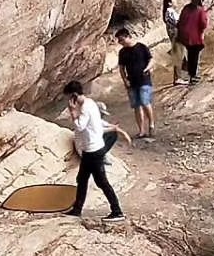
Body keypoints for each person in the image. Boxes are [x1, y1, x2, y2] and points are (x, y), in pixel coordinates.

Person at [64, 81, 125, 220]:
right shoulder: (91, 103)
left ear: (74, 95)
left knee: (101, 182)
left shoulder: (85, 108)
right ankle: (77, 209)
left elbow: (80, 126)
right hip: (91, 149)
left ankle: (117, 211)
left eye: (69, 98)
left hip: (93, 151)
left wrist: (73, 112)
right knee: (82, 179)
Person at [116, 27, 155, 141]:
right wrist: (125, 80)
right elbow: (122, 68)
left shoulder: (141, 47)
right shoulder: (122, 52)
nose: (120, 42)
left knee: (145, 102)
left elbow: (151, 59)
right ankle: (141, 130)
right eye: (119, 40)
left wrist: (147, 69)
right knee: (136, 106)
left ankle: (151, 124)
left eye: (122, 39)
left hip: (144, 79)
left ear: (128, 37)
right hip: (132, 81)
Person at [176, 0, 210, 84]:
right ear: (201, 0)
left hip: (185, 37)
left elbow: (180, 21)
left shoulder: (186, 8)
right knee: (195, 57)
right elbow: (203, 24)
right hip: (195, 36)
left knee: (190, 55)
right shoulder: (200, 10)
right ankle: (193, 76)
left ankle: (191, 75)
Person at [163, 0, 188, 86]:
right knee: (178, 56)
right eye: (174, 0)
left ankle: (185, 74)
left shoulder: (170, 11)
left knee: (182, 56)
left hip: (176, 35)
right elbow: (178, 22)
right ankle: (178, 78)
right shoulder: (170, 11)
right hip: (175, 35)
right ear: (170, 3)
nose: (176, 1)